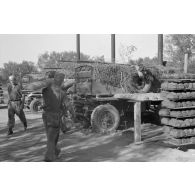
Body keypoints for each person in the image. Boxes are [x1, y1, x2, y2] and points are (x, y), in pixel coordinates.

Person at [27, 72, 71, 162]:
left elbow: (63, 97)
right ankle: (54, 152)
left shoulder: (58, 88)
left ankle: (53, 152)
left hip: (55, 114)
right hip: (48, 115)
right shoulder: (46, 89)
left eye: (48, 78)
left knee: (53, 135)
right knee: (51, 136)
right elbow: (31, 87)